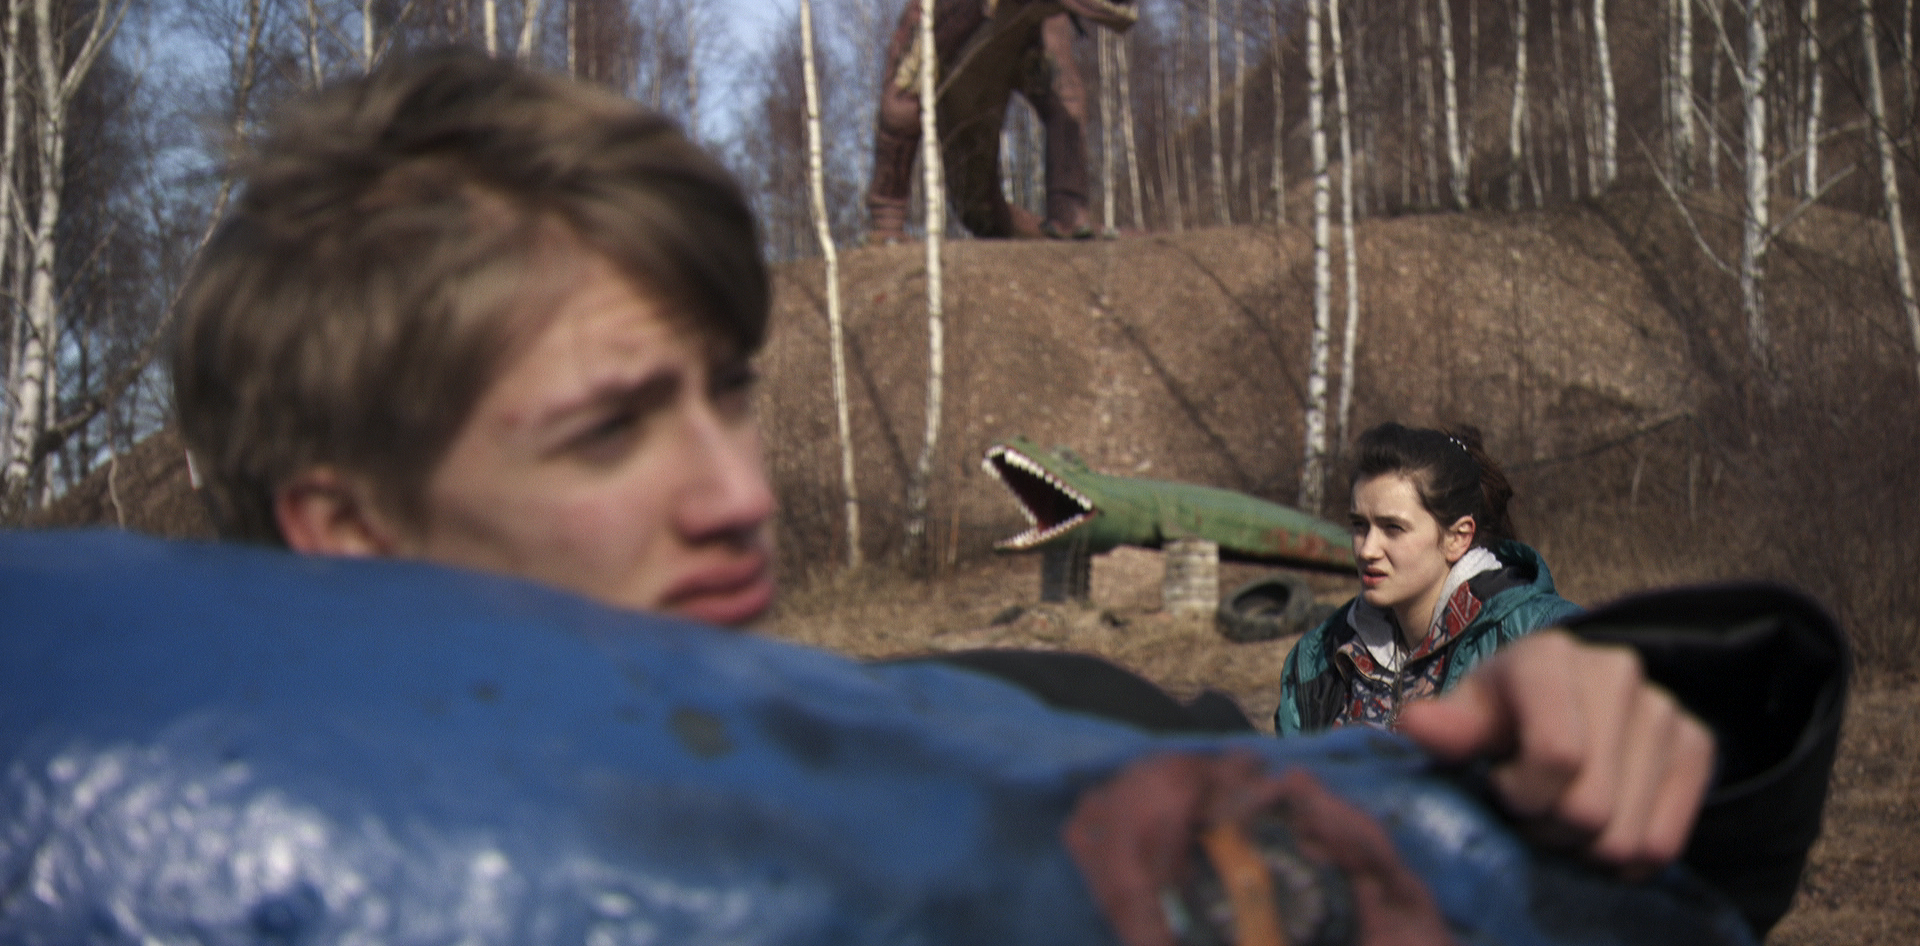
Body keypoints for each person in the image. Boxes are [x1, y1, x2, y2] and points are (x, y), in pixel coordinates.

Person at [165, 50, 1834, 940]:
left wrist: (1632, 755)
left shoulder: (1068, 730)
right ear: (349, 534)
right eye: (608, 430)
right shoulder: (158, 875)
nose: (737, 493)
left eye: (728, 394)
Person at [1275, 423, 1580, 735]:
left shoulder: (1544, 639)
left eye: (1393, 528)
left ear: (1458, 537)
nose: (1367, 549)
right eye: (1359, 525)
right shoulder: (1316, 659)